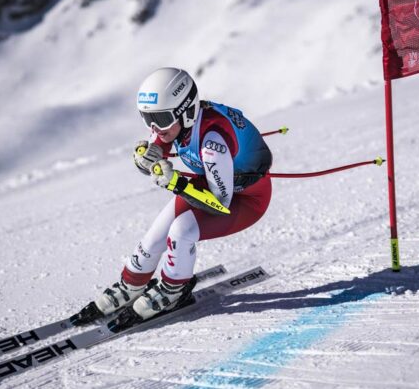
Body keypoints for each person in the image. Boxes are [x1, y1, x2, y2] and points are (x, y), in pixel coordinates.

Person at [73, 67, 273, 324]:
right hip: (209, 184)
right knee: (155, 235)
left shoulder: (212, 145)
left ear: (186, 111)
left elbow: (220, 205)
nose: (155, 127)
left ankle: (173, 291)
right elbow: (157, 148)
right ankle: (131, 284)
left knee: (181, 231)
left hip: (244, 200)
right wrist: (146, 159)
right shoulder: (175, 124)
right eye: (147, 118)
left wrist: (176, 183)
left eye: (161, 118)